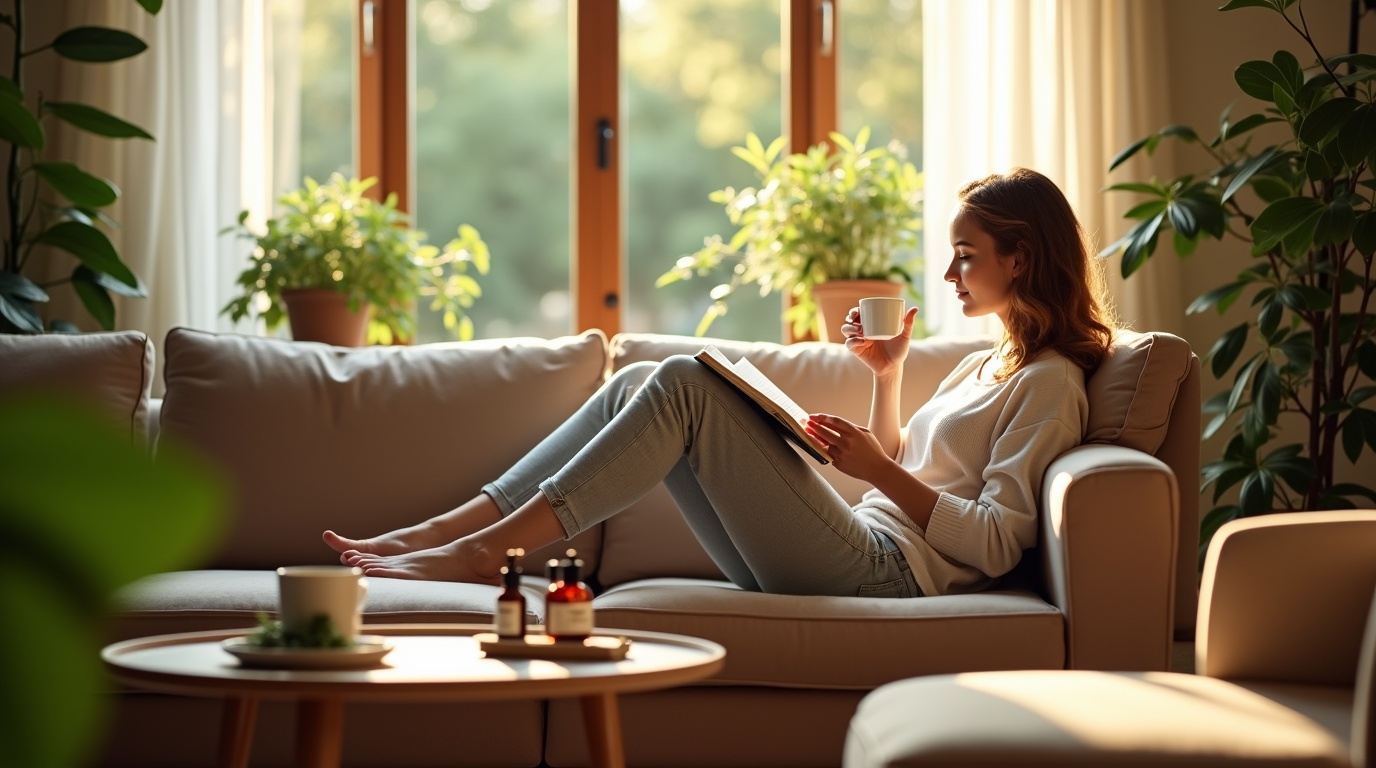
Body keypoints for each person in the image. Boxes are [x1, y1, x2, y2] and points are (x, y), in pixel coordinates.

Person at [324, 168, 1115, 598]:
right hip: (859, 540)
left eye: (967, 254)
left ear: (1021, 255)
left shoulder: (1050, 386)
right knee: (643, 378)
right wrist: (890, 376)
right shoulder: (989, 361)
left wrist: (872, 470)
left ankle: (484, 552)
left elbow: (995, 539)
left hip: (885, 572)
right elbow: (914, 464)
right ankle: (445, 533)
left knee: (680, 383)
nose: (948, 273)